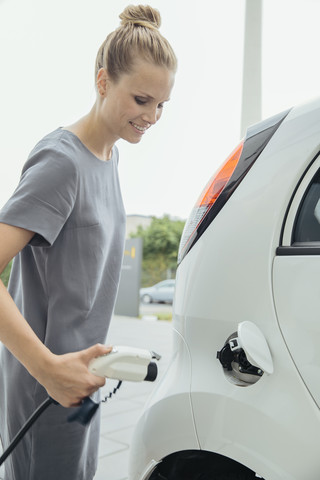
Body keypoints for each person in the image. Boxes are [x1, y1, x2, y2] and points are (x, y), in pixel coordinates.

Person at [0, 4, 177, 480]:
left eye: (161, 104)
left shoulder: (109, 158)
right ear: (103, 82)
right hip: (46, 387)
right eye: (141, 99)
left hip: (83, 379)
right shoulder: (62, 162)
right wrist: (47, 369)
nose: (152, 116)